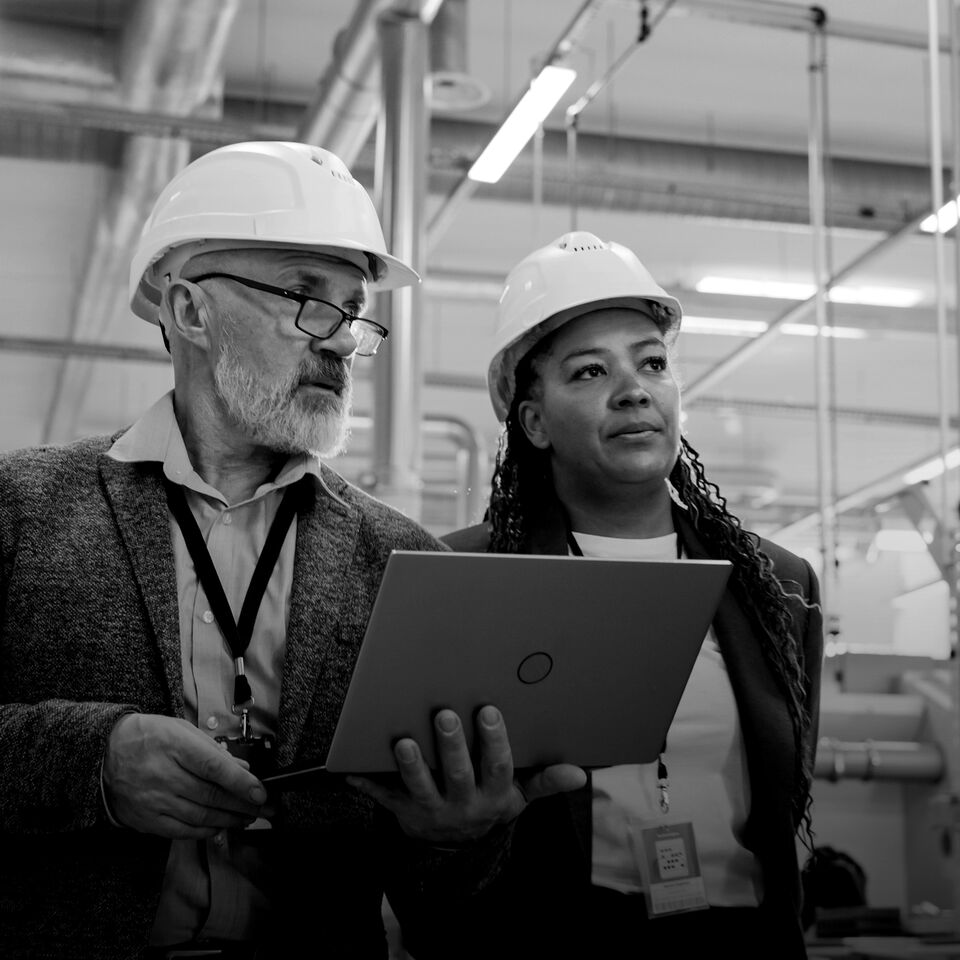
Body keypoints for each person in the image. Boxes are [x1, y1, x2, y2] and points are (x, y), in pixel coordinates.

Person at [0, 141, 557, 960]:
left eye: (353, 311)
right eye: (304, 296)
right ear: (189, 311)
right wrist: (92, 761)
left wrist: (455, 837)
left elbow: (444, 914)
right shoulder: (22, 509)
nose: (339, 341)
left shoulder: (400, 558)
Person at [410, 231, 824, 959]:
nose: (634, 388)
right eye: (590, 371)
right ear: (533, 422)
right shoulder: (468, 574)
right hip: (554, 942)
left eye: (653, 363)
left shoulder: (778, 586)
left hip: (743, 940)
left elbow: (785, 800)